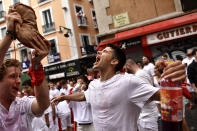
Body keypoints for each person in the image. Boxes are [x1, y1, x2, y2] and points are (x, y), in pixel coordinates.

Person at [52, 44, 185, 131]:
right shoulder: (94, 85)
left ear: (114, 62)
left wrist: (173, 80)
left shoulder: (128, 82)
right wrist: (64, 97)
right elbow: (84, 95)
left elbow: (163, 96)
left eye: (104, 51)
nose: (98, 52)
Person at [0, 7, 50, 130]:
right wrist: (9, 34)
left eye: (19, 76)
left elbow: (42, 105)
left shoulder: (22, 104)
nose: (18, 81)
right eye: (12, 76)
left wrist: (36, 65)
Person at [125, 58, 159, 131]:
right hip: (147, 113)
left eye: (125, 68)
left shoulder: (139, 75)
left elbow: (147, 95)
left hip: (147, 115)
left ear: (128, 66)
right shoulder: (140, 73)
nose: (125, 71)